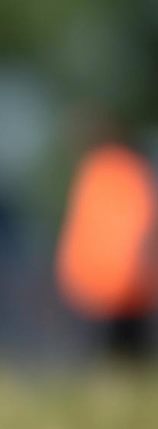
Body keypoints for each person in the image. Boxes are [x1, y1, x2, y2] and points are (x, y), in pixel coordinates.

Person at [56, 126, 156, 361]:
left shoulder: (106, 171)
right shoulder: (127, 169)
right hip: (120, 283)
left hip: (109, 285)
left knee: (113, 358)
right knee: (125, 360)